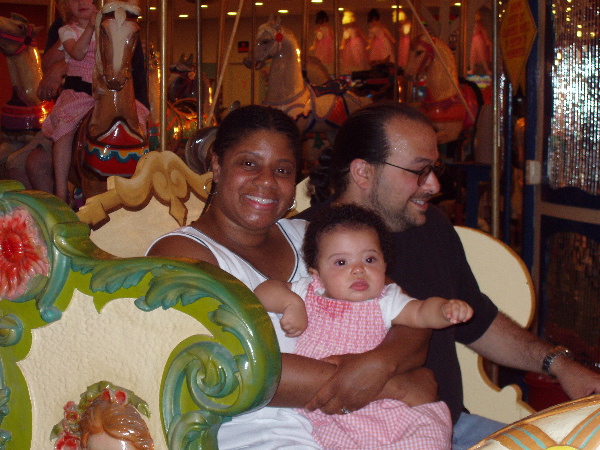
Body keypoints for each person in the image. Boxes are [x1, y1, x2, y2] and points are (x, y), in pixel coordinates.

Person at [299, 102, 600, 450]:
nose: (434, 184)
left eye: (435, 168)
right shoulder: (304, 242)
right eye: (419, 170)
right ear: (363, 173)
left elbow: (479, 323)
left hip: (447, 427)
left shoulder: (430, 226)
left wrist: (560, 364)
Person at [147, 104, 439, 449]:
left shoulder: (313, 236)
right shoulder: (182, 255)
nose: (267, 182)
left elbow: (407, 313)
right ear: (216, 164)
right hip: (256, 438)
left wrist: (381, 362)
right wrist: (398, 385)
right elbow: (236, 365)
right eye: (249, 163)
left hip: (358, 430)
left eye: (283, 170)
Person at [255, 204, 475, 449]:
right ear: (317, 273)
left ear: (384, 266)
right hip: (334, 413)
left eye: (370, 259)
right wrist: (290, 303)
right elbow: (263, 291)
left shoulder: (385, 300)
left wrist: (445, 310)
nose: (358, 269)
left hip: (393, 412)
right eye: (341, 262)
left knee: (427, 437)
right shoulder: (308, 291)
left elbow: (421, 313)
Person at [40, 0, 148, 203]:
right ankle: (61, 190)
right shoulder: (67, 31)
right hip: (80, 92)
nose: (81, 2)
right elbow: (78, 53)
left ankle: (142, 176)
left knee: (140, 122)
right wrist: (91, 27)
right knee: (64, 129)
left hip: (109, 92)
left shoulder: (109, 25)